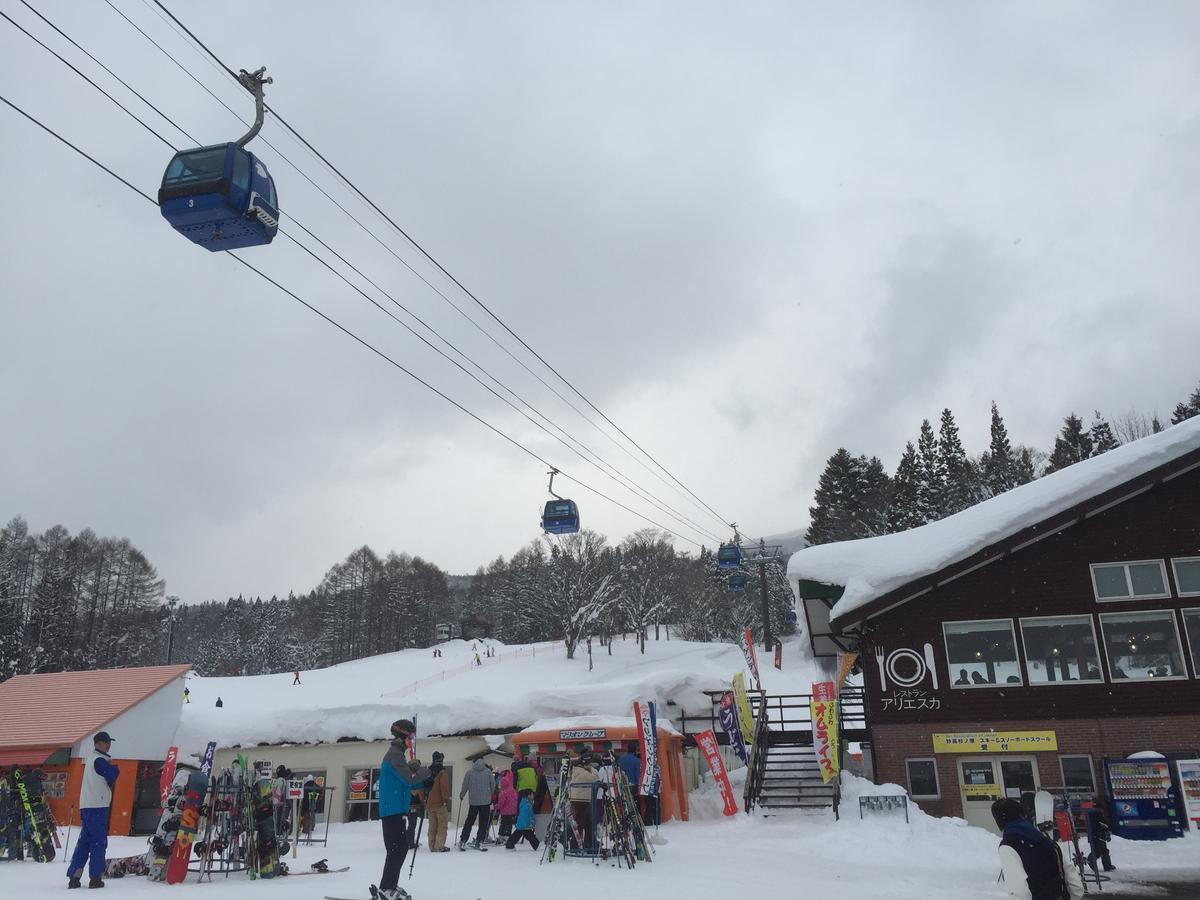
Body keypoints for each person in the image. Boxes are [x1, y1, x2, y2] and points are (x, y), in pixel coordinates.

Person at [376, 720, 430, 900]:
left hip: (396, 809)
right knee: (396, 850)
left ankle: (389, 885)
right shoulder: (395, 755)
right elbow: (408, 779)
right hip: (391, 809)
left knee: (401, 848)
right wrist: (428, 771)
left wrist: (419, 772)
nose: (412, 740)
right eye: (411, 737)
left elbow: (408, 778)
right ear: (403, 736)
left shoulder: (398, 755)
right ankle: (385, 888)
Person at [67, 731, 120, 889]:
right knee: (98, 842)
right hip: (98, 806)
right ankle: (95, 878)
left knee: (84, 842)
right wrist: (116, 768)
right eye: (106, 742)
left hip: (87, 806)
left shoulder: (90, 759)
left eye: (109, 742)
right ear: (98, 744)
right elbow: (111, 776)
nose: (108, 745)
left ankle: (74, 877)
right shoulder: (100, 760)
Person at [992, 798, 1071, 900]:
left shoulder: (1008, 846)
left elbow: (1020, 892)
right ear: (1021, 814)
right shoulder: (1045, 840)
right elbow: (1072, 878)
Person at [458, 759, 493, 850]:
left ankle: (463, 840)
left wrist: (462, 795)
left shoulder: (470, 772)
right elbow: (493, 784)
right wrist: (490, 794)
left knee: (469, 821)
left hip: (474, 802)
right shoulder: (488, 772)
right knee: (483, 822)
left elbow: (465, 785)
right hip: (485, 802)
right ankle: (480, 841)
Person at [568, 753, 599, 851]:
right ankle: (574, 845)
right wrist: (591, 769)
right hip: (580, 800)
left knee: (588, 824)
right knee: (579, 825)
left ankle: (588, 844)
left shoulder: (579, 770)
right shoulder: (580, 772)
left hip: (583, 799)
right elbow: (595, 777)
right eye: (589, 763)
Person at [425, 752, 451, 852]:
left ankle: (432, 846)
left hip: (430, 803)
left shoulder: (428, 771)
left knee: (432, 826)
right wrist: (445, 800)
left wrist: (425, 800)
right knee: (442, 826)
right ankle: (439, 846)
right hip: (440, 804)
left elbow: (424, 787)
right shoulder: (442, 772)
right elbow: (444, 788)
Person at [495, 770, 518, 840]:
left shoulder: (503, 792)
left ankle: (501, 835)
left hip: (505, 812)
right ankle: (508, 836)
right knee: (509, 824)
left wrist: (495, 807)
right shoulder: (513, 790)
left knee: (503, 823)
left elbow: (501, 803)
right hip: (512, 811)